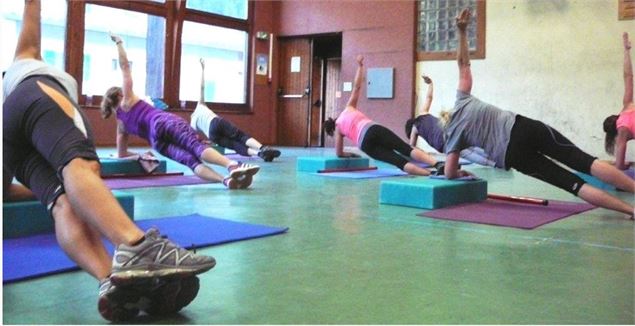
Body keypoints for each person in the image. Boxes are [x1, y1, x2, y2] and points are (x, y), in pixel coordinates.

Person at [2, 0, 216, 321]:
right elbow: (32, 10)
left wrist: (65, 191)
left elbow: (5, 193)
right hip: (36, 95)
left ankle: (112, 281)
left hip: (8, 137)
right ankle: (136, 246)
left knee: (61, 204)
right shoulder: (26, 62)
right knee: (80, 165)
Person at [442, 8, 634, 216]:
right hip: (522, 128)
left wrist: (459, 172)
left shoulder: (453, 137)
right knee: (584, 161)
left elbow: (449, 173)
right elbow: (463, 64)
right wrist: (462, 32)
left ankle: (630, 210)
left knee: (573, 184)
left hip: (513, 155)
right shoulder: (461, 99)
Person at [102, 34, 259, 189]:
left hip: (157, 142)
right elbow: (125, 67)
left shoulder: (120, 125)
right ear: (120, 94)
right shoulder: (127, 99)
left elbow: (121, 153)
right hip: (162, 122)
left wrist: (139, 155)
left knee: (191, 162)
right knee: (195, 146)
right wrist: (119, 42)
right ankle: (232, 165)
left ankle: (225, 180)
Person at [324, 55, 457, 176]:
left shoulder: (338, 129)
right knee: (405, 148)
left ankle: (431, 174)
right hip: (372, 129)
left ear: (331, 129)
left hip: (364, 143)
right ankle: (437, 164)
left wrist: (350, 154)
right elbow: (357, 87)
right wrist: (360, 66)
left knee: (397, 161)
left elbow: (339, 153)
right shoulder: (349, 108)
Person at [191, 58, 281, 162]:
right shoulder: (199, 106)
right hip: (215, 122)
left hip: (212, 136)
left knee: (234, 145)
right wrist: (203, 69)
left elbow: (195, 140)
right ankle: (262, 148)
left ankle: (259, 154)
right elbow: (202, 87)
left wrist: (206, 142)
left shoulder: (192, 124)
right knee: (240, 136)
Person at [405, 75, 495, 167]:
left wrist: (418, 156)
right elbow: (429, 98)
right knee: (471, 146)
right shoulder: (423, 113)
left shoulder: (414, 129)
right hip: (449, 129)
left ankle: (493, 164)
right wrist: (430, 84)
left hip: (443, 142)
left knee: (466, 153)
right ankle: (497, 158)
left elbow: (412, 147)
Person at [603, 32, 634, 170]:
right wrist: (626, 51)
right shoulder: (626, 106)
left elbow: (620, 166)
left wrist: (621, 164)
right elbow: (628, 76)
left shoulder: (622, 132)